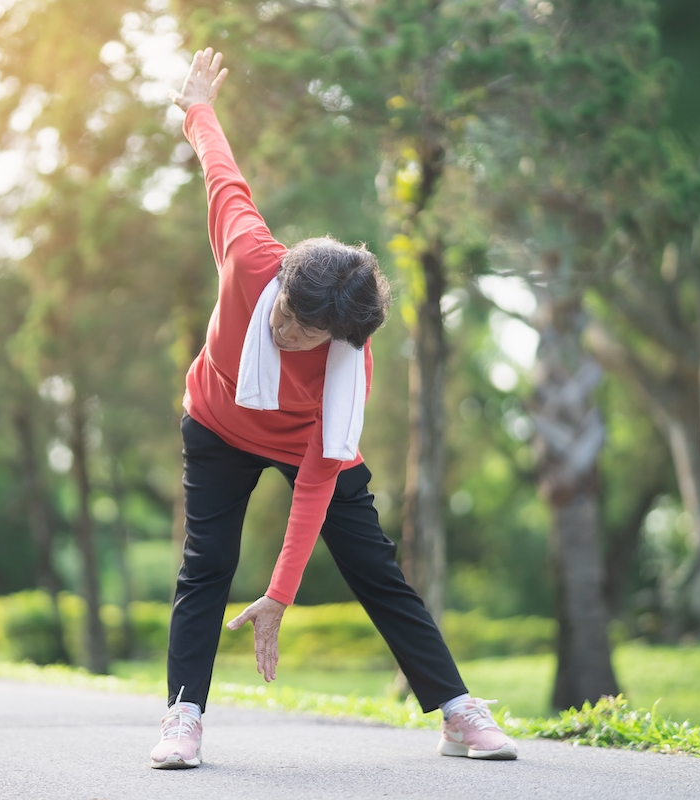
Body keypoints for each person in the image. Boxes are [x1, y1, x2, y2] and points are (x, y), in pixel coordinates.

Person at [149, 49, 519, 770]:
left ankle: (456, 712)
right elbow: (223, 172)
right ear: (282, 282)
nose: (289, 332)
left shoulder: (349, 366)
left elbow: (317, 481)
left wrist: (280, 595)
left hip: (303, 444)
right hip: (219, 424)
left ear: (340, 336)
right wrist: (198, 106)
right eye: (287, 315)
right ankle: (183, 716)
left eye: (307, 334)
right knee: (207, 563)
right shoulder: (252, 256)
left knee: (374, 566)